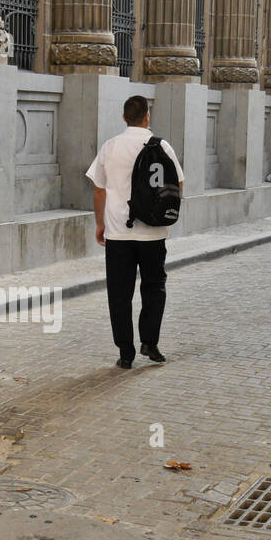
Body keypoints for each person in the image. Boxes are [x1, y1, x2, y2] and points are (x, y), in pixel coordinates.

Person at [86, 95, 184, 369]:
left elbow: (98, 188)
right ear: (147, 116)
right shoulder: (162, 146)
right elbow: (177, 185)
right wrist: (164, 215)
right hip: (153, 233)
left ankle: (125, 352)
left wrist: (100, 223)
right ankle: (150, 343)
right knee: (154, 287)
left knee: (119, 293)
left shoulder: (110, 147)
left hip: (118, 233)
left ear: (124, 117)